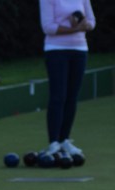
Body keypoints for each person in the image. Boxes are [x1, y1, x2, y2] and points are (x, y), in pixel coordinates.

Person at [39, 0, 95, 158]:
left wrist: (85, 25)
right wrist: (75, 29)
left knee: (72, 97)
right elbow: (48, 27)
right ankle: (53, 142)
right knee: (58, 97)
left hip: (80, 50)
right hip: (56, 50)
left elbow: (92, 22)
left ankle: (64, 140)